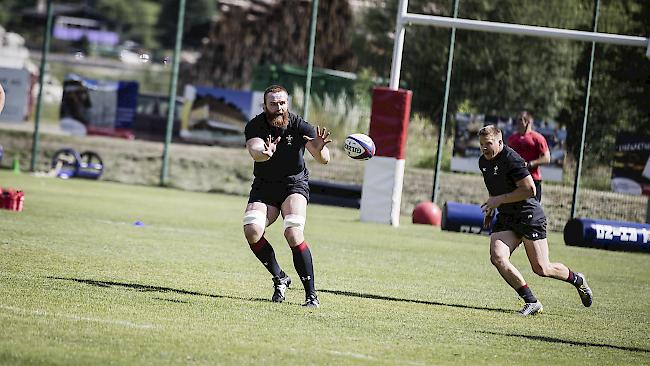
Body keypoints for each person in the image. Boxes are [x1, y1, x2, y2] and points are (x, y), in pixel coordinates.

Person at [478, 125, 592, 316]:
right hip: (507, 216)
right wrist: (491, 207)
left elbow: (530, 189)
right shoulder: (483, 161)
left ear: (499, 141)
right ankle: (531, 301)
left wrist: (499, 200)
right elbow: (494, 188)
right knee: (497, 257)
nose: (484, 148)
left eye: (488, 144)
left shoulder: (511, 159)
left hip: (528, 215)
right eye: (481, 144)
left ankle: (577, 280)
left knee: (542, 268)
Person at [242, 85, 331, 308]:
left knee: (293, 231)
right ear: (265, 106)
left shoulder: (299, 125)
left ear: (287, 104)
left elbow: (324, 159)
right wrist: (264, 153)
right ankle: (280, 277)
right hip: (265, 186)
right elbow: (254, 149)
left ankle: (311, 295)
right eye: (273, 104)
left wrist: (319, 149)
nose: (279, 107)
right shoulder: (255, 125)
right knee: (252, 230)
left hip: (294, 184)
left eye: (282, 103)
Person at [507, 111, 550, 202]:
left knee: (533, 211)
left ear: (528, 122)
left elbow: (547, 158)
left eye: (520, 121)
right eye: (517, 121)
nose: (517, 124)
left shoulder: (538, 138)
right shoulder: (512, 139)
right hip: (515, 180)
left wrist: (530, 164)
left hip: (533, 180)